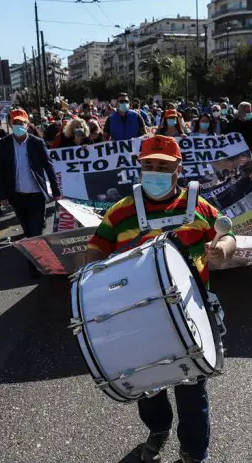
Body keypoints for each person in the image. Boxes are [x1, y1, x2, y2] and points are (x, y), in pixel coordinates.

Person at [84, 135, 236, 463]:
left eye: (162, 166)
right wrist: (93, 273)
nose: (154, 171)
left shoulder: (199, 207)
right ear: (140, 168)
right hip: (138, 317)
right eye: (148, 165)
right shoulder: (120, 212)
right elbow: (97, 246)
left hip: (190, 314)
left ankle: (194, 454)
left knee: (192, 391)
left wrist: (222, 248)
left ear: (177, 169)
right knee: (147, 384)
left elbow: (229, 235)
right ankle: (158, 428)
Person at [0, 109, 61, 257]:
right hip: (17, 195)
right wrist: (2, 195)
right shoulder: (4, 144)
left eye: (22, 123)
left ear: (27, 124)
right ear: (11, 125)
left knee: (35, 231)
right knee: (27, 229)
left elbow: (48, 166)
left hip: (36, 194)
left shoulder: (37, 143)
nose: (19, 125)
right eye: (16, 123)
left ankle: (37, 263)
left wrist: (56, 190)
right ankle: (36, 256)